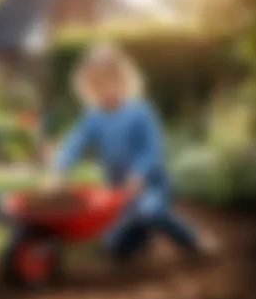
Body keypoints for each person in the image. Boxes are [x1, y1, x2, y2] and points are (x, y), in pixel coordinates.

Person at [44, 42, 219, 261]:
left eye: (108, 81)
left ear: (122, 80)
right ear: (87, 87)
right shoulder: (94, 117)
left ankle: (193, 241)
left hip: (151, 184)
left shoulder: (140, 112)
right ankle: (142, 238)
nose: (103, 89)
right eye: (96, 85)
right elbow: (75, 143)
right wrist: (60, 167)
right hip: (118, 190)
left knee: (150, 210)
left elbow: (154, 149)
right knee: (115, 246)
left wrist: (139, 173)